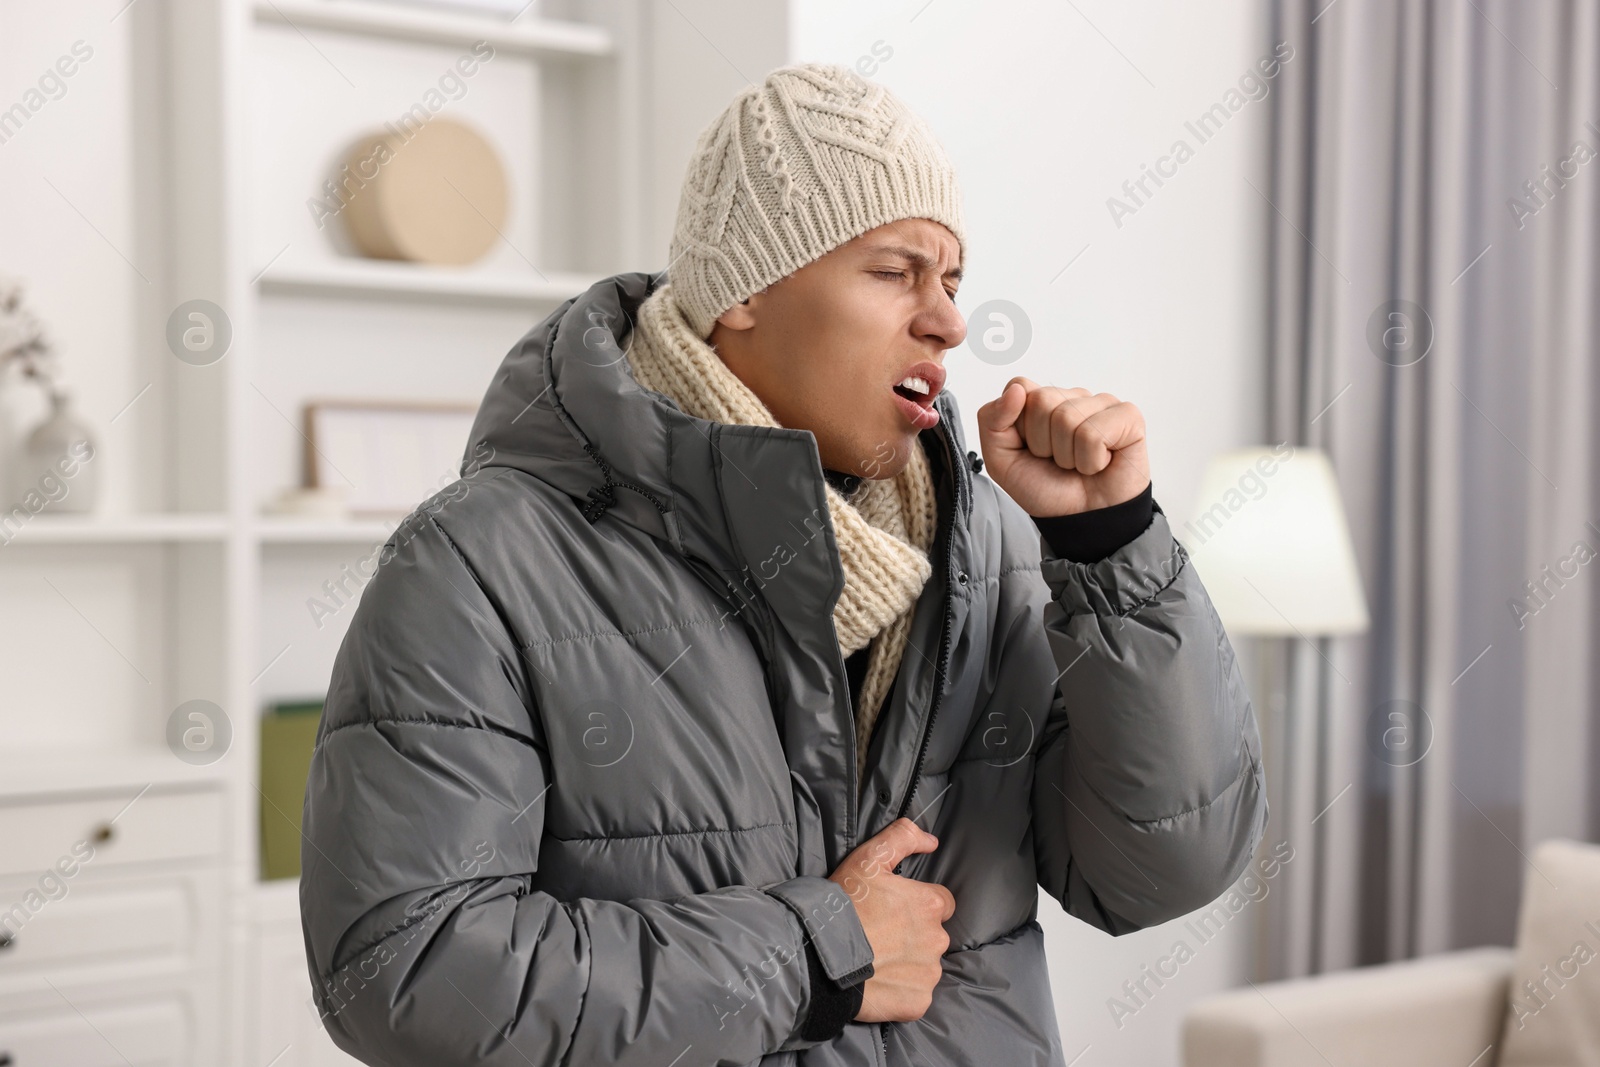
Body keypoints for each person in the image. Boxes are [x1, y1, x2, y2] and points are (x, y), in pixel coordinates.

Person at [299, 61, 1266, 1066]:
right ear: (744, 289)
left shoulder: (997, 547)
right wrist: (812, 950)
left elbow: (1159, 869)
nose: (946, 318)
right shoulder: (481, 560)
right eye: (894, 271)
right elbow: (400, 971)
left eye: (952, 279)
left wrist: (1111, 547)